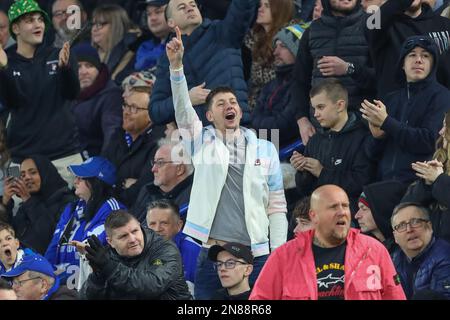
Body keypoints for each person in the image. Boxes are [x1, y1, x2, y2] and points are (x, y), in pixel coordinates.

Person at [167, 26, 288, 299]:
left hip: (255, 256)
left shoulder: (266, 148)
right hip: (212, 254)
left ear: (240, 111)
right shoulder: (201, 142)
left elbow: (277, 207)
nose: (228, 106)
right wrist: (177, 69)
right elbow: (183, 112)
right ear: (209, 115)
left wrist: (278, 252)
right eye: (220, 104)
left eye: (232, 102)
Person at [250, 184, 406, 300]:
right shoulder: (283, 257)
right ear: (314, 215)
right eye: (333, 207)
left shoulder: (374, 250)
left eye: (345, 206)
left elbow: (395, 295)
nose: (342, 212)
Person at [0, 0, 83, 184]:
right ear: (16, 28)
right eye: (30, 20)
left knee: (72, 210)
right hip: (21, 159)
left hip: (65, 155)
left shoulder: (59, 54)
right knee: (16, 208)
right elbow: (12, 101)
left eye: (40, 20)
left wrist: (65, 69)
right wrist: (4, 70)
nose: (38, 24)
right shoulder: (6, 60)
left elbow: (72, 94)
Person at [149, 0, 258, 126]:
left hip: (238, 128)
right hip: (201, 140)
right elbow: (155, 112)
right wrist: (186, 99)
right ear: (171, 22)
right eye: (182, 7)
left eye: (193, 5)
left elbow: (243, 7)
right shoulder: (168, 57)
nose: (190, 9)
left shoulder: (222, 32)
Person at [361, 36, 450, 183]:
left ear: (433, 64)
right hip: (385, 182)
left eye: (425, 56)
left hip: (420, 185)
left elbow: (429, 141)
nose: (418, 60)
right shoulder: (391, 99)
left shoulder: (443, 97)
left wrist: (387, 122)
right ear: (402, 63)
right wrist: (377, 138)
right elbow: (370, 154)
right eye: (412, 55)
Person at [291, 0, 375, 145]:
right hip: (320, 132)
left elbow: (384, 79)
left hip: (361, 132)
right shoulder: (312, 31)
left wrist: (349, 68)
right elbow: (299, 81)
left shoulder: (372, 27)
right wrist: (302, 119)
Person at [291, 78, 374, 212]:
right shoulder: (315, 140)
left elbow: (361, 183)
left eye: (321, 107)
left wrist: (322, 172)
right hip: (316, 211)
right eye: (314, 108)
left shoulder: (362, 137)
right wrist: (302, 171)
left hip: (348, 213)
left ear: (340, 105)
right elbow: (304, 190)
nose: (316, 114)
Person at [44, 156, 125, 290]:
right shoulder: (71, 209)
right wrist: (44, 274)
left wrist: (55, 281)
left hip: (86, 289)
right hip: (59, 285)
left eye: (81, 178)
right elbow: (54, 246)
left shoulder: (114, 211)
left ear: (96, 183)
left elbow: (86, 252)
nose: (75, 181)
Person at [79, 209, 191, 299]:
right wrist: (98, 276)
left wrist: (109, 268)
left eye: (135, 231)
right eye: (123, 236)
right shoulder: (108, 256)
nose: (132, 239)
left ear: (140, 226)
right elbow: (85, 297)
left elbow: (152, 285)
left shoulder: (164, 249)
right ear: (110, 242)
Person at [364, 0, 450, 97]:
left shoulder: (445, 24)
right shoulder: (382, 26)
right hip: (396, 107)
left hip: (438, 104)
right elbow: (373, 23)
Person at [102, 82, 166, 208]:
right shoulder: (117, 135)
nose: (126, 112)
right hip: (111, 205)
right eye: (126, 106)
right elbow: (101, 174)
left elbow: (142, 189)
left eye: (134, 108)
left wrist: (114, 189)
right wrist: (121, 184)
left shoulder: (159, 144)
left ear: (151, 115)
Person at [2, 156, 75, 254]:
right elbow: (6, 234)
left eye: (33, 172)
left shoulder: (67, 201)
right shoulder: (25, 205)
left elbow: (50, 237)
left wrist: (29, 201)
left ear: (46, 173)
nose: (27, 178)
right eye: (22, 175)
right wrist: (5, 204)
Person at [251, 23, 308, 148]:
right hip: (265, 148)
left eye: (283, 46)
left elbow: (281, 128)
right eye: (275, 47)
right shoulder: (271, 84)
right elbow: (253, 118)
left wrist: (259, 128)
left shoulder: (304, 86)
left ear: (298, 51)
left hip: (289, 158)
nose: (275, 52)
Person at [401, 111, 450, 243]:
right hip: (434, 249)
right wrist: (427, 183)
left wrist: (439, 180)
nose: (440, 132)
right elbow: (406, 206)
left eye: (446, 126)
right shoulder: (439, 161)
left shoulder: (440, 176)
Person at [71, 42, 123, 158]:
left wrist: (101, 167)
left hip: (94, 161)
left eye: (89, 65)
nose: (84, 72)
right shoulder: (66, 94)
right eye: (78, 66)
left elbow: (112, 134)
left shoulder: (110, 95)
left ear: (98, 68)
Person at [391, 202, 450, 299]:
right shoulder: (393, 259)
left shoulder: (445, 256)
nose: (409, 229)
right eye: (401, 225)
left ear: (430, 227)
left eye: (415, 222)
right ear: (395, 237)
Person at [244, 0, 294, 110]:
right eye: (260, 5)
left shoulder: (290, 41)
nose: (260, 9)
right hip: (255, 106)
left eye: (266, 6)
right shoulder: (254, 40)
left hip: (279, 105)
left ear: (279, 10)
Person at [146, 199, 200, 294]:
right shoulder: (138, 250)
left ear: (179, 225)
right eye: (152, 224)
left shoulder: (193, 251)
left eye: (164, 223)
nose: (157, 229)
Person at [132, 139, 193, 222]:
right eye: (154, 162)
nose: (153, 169)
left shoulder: (192, 201)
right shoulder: (148, 190)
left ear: (180, 169)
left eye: (160, 163)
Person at [91, 4, 140, 85]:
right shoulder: (88, 52)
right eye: (93, 24)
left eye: (100, 24)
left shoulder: (129, 52)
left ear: (116, 26)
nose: (94, 29)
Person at [355, 180, 407, 254]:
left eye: (364, 209)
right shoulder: (363, 249)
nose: (356, 216)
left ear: (381, 210)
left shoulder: (405, 252)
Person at [1, 253, 77, 300]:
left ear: (43, 286)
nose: (13, 288)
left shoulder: (66, 297)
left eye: (19, 283)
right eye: (13, 282)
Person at [134, 0, 170, 71]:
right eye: (148, 14)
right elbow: (139, 66)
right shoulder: (145, 46)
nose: (152, 18)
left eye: (158, 12)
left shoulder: (186, 40)